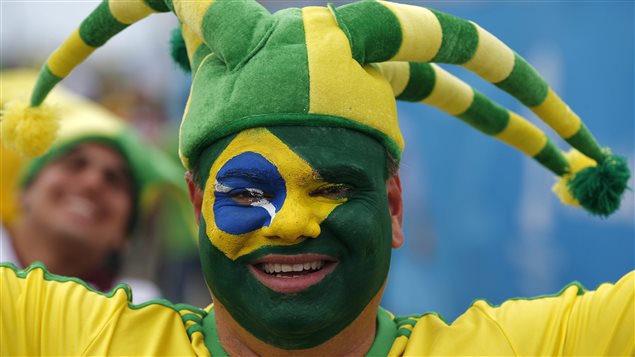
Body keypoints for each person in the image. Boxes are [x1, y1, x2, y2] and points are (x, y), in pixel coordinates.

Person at [1, 1, 632, 356]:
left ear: (395, 207)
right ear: (198, 206)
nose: (293, 223)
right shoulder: (67, 338)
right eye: (245, 192)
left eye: (332, 188)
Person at [0, 69, 195, 303]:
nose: (92, 183)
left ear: (125, 235)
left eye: (115, 179)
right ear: (23, 192)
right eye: (75, 163)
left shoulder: (140, 314)